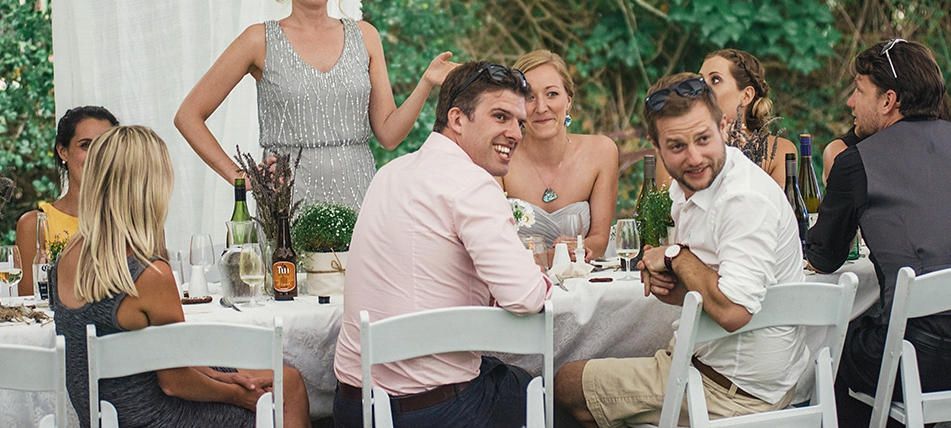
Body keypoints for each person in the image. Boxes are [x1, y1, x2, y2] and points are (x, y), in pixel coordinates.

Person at [555, 73, 808, 428]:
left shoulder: (744, 199)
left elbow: (734, 311)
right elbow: (705, 288)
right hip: (712, 366)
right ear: (655, 147)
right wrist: (668, 282)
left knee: (565, 383)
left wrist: (675, 256)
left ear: (723, 126)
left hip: (737, 391)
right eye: (676, 146)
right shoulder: (687, 188)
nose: (694, 157)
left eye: (703, 139)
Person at [806, 38, 951, 428]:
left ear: (889, 100)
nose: (851, 103)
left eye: (858, 91)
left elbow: (823, 257)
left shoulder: (857, 163)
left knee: (826, 354)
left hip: (917, 359)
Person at [175, 0, 457, 208]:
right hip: (287, 207)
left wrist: (425, 84)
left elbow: (388, 135)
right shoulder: (258, 40)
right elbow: (188, 115)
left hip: (359, 201)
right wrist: (242, 177)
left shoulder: (366, 36)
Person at [332, 61, 552, 428]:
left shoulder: (390, 173)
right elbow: (525, 298)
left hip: (355, 409)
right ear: (457, 118)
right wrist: (541, 278)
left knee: (497, 372)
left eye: (520, 123)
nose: (515, 133)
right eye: (500, 116)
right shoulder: (472, 183)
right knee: (550, 395)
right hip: (433, 413)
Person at [52, 125, 311, 428]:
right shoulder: (147, 274)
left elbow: (170, 361)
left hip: (106, 417)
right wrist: (236, 395)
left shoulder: (65, 259)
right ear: (148, 187)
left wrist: (221, 376)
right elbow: (175, 383)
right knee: (286, 385)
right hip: (156, 417)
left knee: (285, 380)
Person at [499, 50, 618, 260]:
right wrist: (555, 257)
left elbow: (599, 241)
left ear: (568, 101)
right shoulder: (500, 157)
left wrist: (579, 249)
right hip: (520, 283)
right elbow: (494, 247)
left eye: (552, 94)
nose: (541, 107)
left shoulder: (602, 152)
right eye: (529, 97)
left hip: (582, 282)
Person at [14, 106, 118, 296]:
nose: (96, 154)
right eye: (85, 145)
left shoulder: (132, 219)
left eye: (105, 145)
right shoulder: (34, 224)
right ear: (63, 151)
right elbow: (31, 308)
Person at [699, 49, 796, 188]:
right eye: (700, 81)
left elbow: (777, 207)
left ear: (746, 96)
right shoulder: (680, 147)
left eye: (715, 80)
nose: (702, 88)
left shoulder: (780, 150)